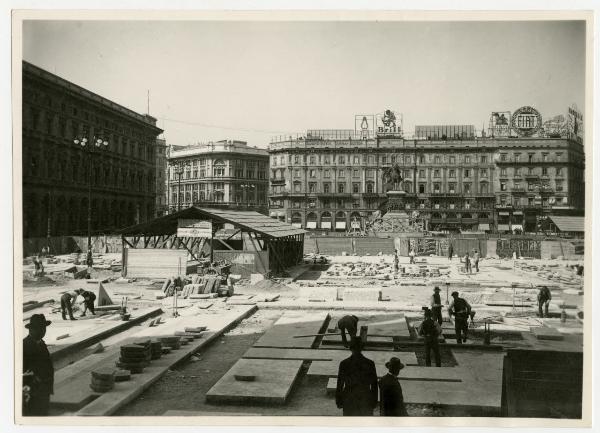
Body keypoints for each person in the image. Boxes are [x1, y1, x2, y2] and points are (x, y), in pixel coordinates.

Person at [335, 337, 378, 416]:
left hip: (349, 399)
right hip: (365, 399)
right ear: (362, 348)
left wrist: (339, 401)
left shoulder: (344, 364)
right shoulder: (370, 363)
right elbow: (374, 385)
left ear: (350, 348)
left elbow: (340, 384)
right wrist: (374, 402)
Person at [23, 314, 54, 416]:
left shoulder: (41, 343)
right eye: (39, 328)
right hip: (32, 393)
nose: (42, 331)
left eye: (44, 328)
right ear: (31, 329)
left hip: (44, 391)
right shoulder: (24, 345)